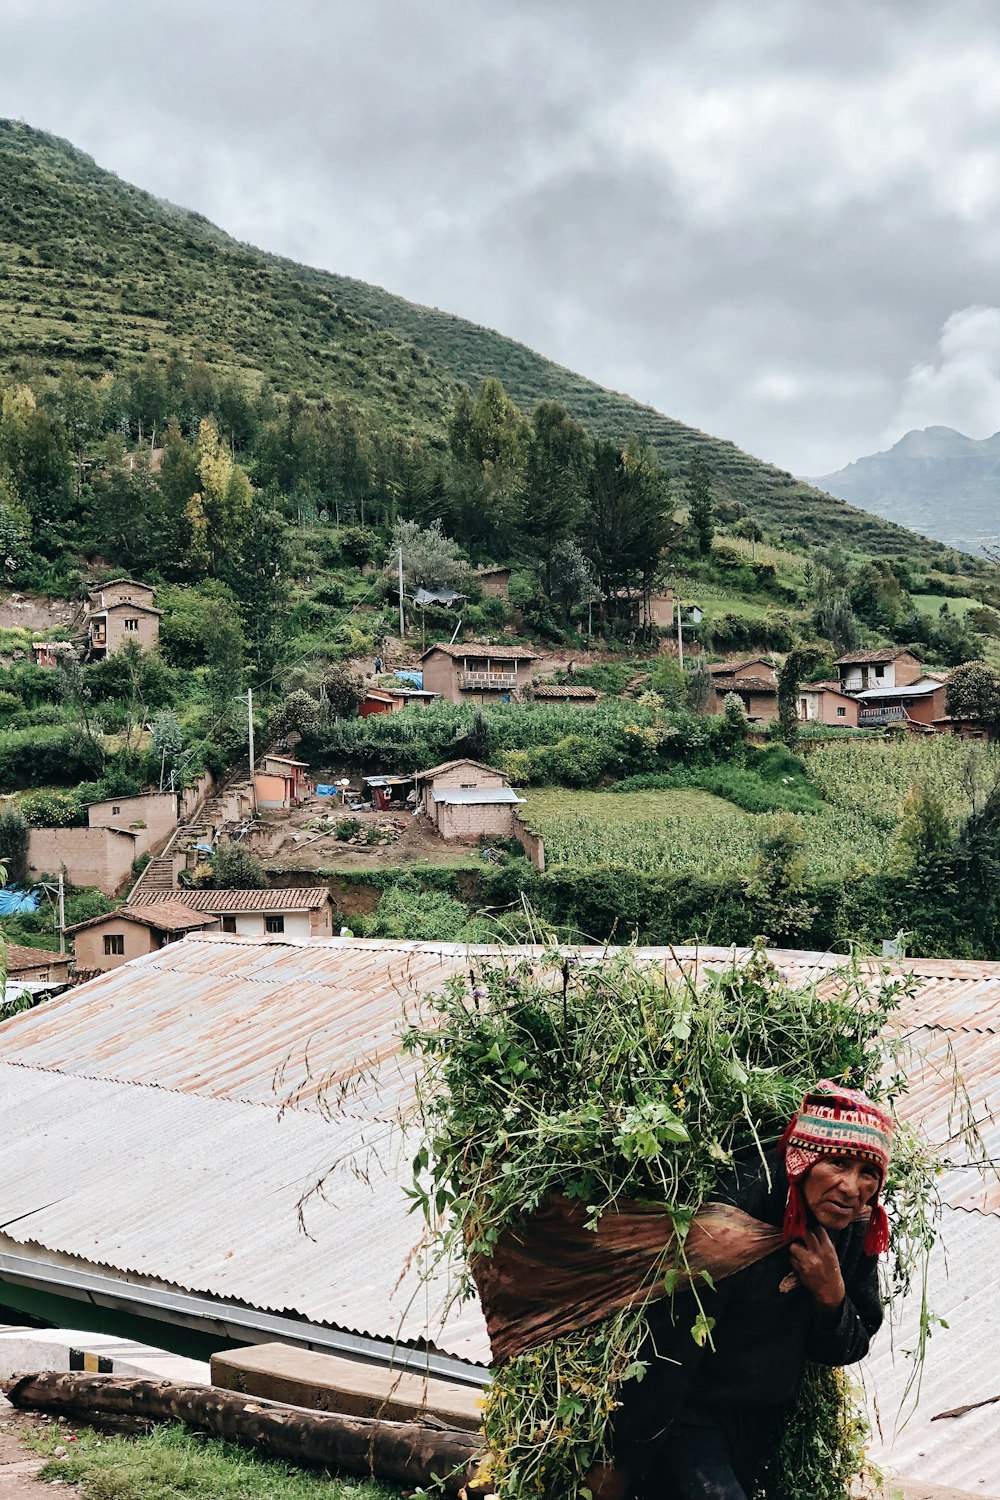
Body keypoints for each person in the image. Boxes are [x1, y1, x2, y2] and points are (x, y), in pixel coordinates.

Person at [602, 1081, 892, 1500]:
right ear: (801, 1161)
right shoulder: (733, 1216)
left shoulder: (852, 1227)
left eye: (868, 1173)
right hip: (688, 1413)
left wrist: (831, 1294)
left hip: (760, 1419)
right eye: (837, 1164)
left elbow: (848, 1347)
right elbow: (668, 1351)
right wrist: (621, 1462)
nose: (851, 1187)